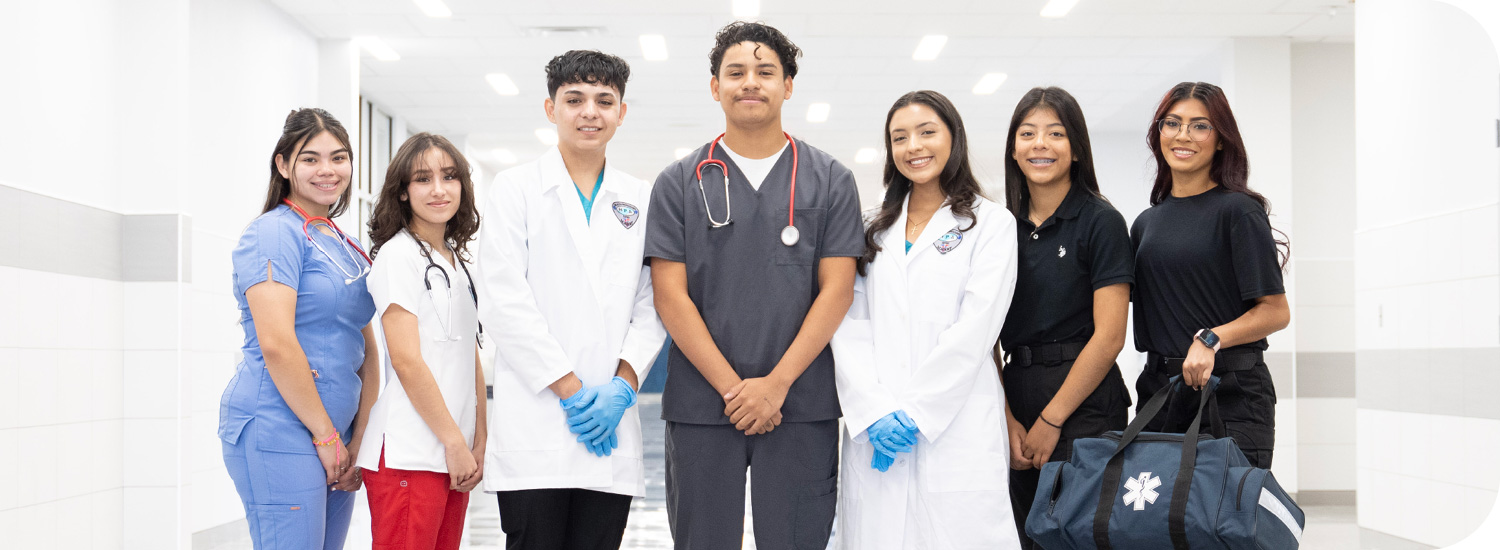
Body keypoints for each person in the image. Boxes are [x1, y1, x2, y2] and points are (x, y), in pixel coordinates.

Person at [645, 21, 864, 549]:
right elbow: (669, 296)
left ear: (788, 85)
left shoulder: (830, 178)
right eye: (735, 72)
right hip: (702, 403)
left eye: (766, 72)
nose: (750, 82)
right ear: (715, 86)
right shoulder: (679, 181)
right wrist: (731, 388)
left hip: (800, 402)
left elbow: (837, 290)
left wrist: (777, 385)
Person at [475, 50, 667, 550]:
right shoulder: (515, 190)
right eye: (575, 99)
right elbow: (503, 301)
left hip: (610, 422)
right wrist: (572, 392)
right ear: (550, 108)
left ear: (621, 112)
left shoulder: (641, 197)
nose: (590, 112)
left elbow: (654, 302)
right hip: (537, 424)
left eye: (605, 101)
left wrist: (622, 388)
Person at [830, 90, 1020, 549]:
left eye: (927, 132)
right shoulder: (870, 226)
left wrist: (917, 413)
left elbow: (976, 330)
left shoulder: (990, 224)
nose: (913, 146)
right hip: (875, 424)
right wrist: (874, 411)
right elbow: (846, 322)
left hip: (956, 422)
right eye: (900, 138)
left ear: (953, 138)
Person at [218, 108, 377, 550]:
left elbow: (367, 347)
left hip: (336, 434)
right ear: (284, 165)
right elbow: (277, 344)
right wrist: (326, 436)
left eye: (338, 157)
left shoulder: (343, 242)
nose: (327, 170)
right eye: (310, 159)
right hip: (281, 428)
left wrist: (357, 436)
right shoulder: (272, 234)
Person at [995, 87, 1133, 548]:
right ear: (1013, 149)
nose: (1041, 144)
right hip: (1015, 394)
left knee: (1082, 536)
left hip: (1084, 402)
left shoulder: (1100, 221)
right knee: (1026, 538)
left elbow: (1111, 335)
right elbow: (983, 333)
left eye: (1056, 133)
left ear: (1075, 149)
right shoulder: (998, 227)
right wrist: (1007, 416)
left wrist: (1052, 419)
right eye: (1028, 133)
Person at [1131, 82, 1291, 469]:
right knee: (1150, 525)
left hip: (1231, 394)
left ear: (1221, 140)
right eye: (1172, 123)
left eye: (1200, 126)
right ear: (1159, 134)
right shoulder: (1145, 224)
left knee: (1222, 521)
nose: (1183, 135)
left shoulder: (1238, 212)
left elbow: (1275, 311)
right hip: (1160, 391)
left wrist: (1211, 339)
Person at [355, 133, 486, 550]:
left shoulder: (453, 259)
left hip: (452, 452)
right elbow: (407, 360)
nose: (438, 189)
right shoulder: (398, 257)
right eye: (422, 179)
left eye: (449, 177)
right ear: (403, 192)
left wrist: (478, 437)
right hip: (410, 454)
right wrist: (454, 440)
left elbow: (470, 356)